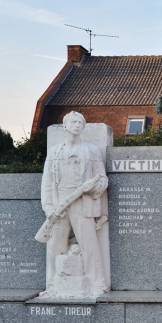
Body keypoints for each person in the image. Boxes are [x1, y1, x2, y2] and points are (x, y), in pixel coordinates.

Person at [40, 111, 109, 296]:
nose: (77, 125)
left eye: (80, 122)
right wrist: (48, 208)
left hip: (82, 202)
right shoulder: (54, 152)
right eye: (73, 121)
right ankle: (53, 286)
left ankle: (96, 284)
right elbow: (46, 183)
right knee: (55, 245)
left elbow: (103, 180)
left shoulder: (91, 150)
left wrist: (91, 190)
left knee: (89, 245)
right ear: (65, 125)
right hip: (59, 203)